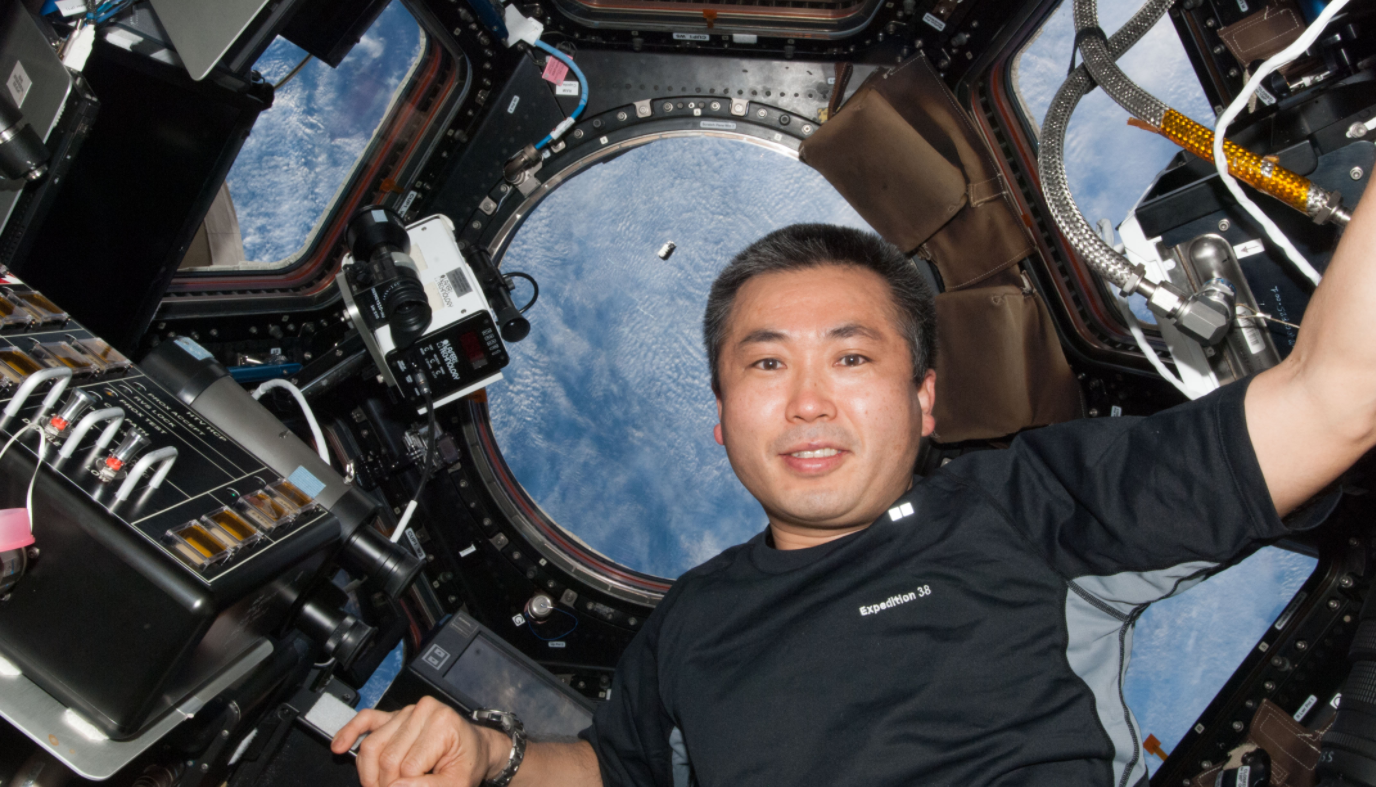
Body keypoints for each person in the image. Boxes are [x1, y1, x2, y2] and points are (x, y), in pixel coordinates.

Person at [333, 192, 1376, 787]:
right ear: (721, 417)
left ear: (925, 403)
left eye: (850, 358)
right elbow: (614, 773)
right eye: (764, 364)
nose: (805, 403)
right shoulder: (692, 624)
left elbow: (1336, 393)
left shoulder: (1024, 508)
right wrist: (485, 753)